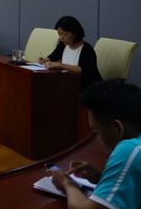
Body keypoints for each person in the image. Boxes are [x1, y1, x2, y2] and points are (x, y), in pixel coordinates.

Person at [48, 79, 141, 209]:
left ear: (117, 128)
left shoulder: (130, 150)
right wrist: (102, 178)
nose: (97, 139)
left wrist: (67, 183)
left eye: (96, 131)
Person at [39, 16, 102, 90]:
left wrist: (60, 65)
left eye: (64, 34)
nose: (61, 38)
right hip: (68, 85)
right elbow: (53, 56)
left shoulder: (87, 50)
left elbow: (84, 71)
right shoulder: (63, 45)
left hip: (87, 89)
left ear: (75, 33)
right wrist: (45, 60)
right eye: (59, 34)